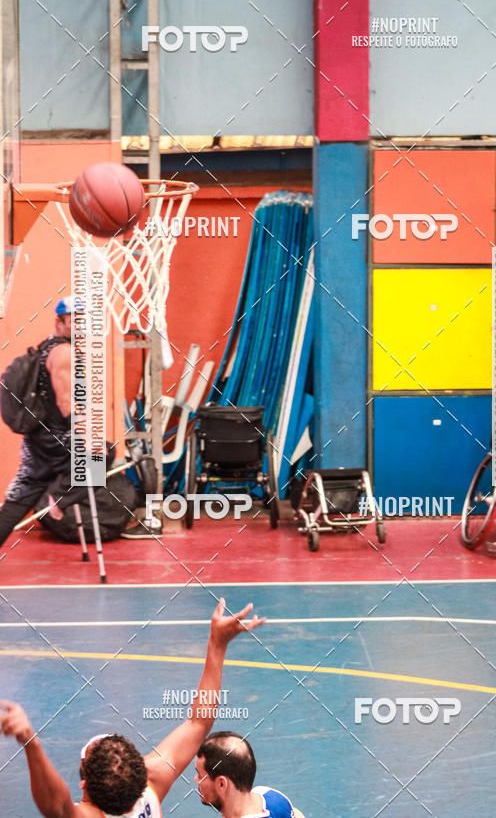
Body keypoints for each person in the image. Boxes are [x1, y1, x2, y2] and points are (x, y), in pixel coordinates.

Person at [0, 598, 265, 817]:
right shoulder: (150, 788)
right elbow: (199, 722)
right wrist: (217, 646)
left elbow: (56, 806)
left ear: (84, 784)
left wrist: (31, 744)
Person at [0, 297, 74, 548]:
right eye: (76, 320)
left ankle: (55, 495)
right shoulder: (65, 352)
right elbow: (65, 401)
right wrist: (84, 432)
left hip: (37, 439)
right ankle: (58, 499)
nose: (83, 326)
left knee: (19, 500)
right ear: (59, 322)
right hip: (57, 438)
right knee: (102, 454)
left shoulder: (45, 347)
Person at [195, 731, 305, 818]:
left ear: (221, 784)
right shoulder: (272, 796)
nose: (196, 780)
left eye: (200, 775)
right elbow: (297, 814)